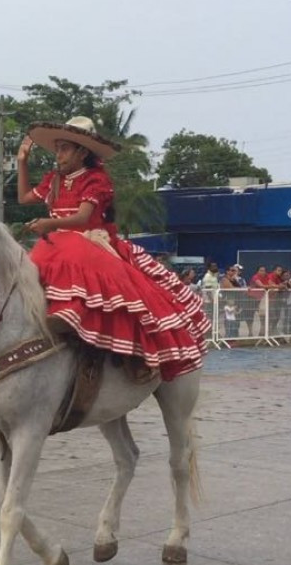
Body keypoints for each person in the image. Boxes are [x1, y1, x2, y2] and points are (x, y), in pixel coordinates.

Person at [17, 116, 209, 381]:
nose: (58, 154)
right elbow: (24, 198)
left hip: (91, 240)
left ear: (82, 152)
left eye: (64, 148)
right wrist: (21, 162)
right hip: (57, 242)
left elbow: (83, 219)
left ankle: (129, 354)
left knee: (118, 289)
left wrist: (49, 223)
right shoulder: (54, 179)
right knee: (32, 263)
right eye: (57, 148)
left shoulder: (96, 179)